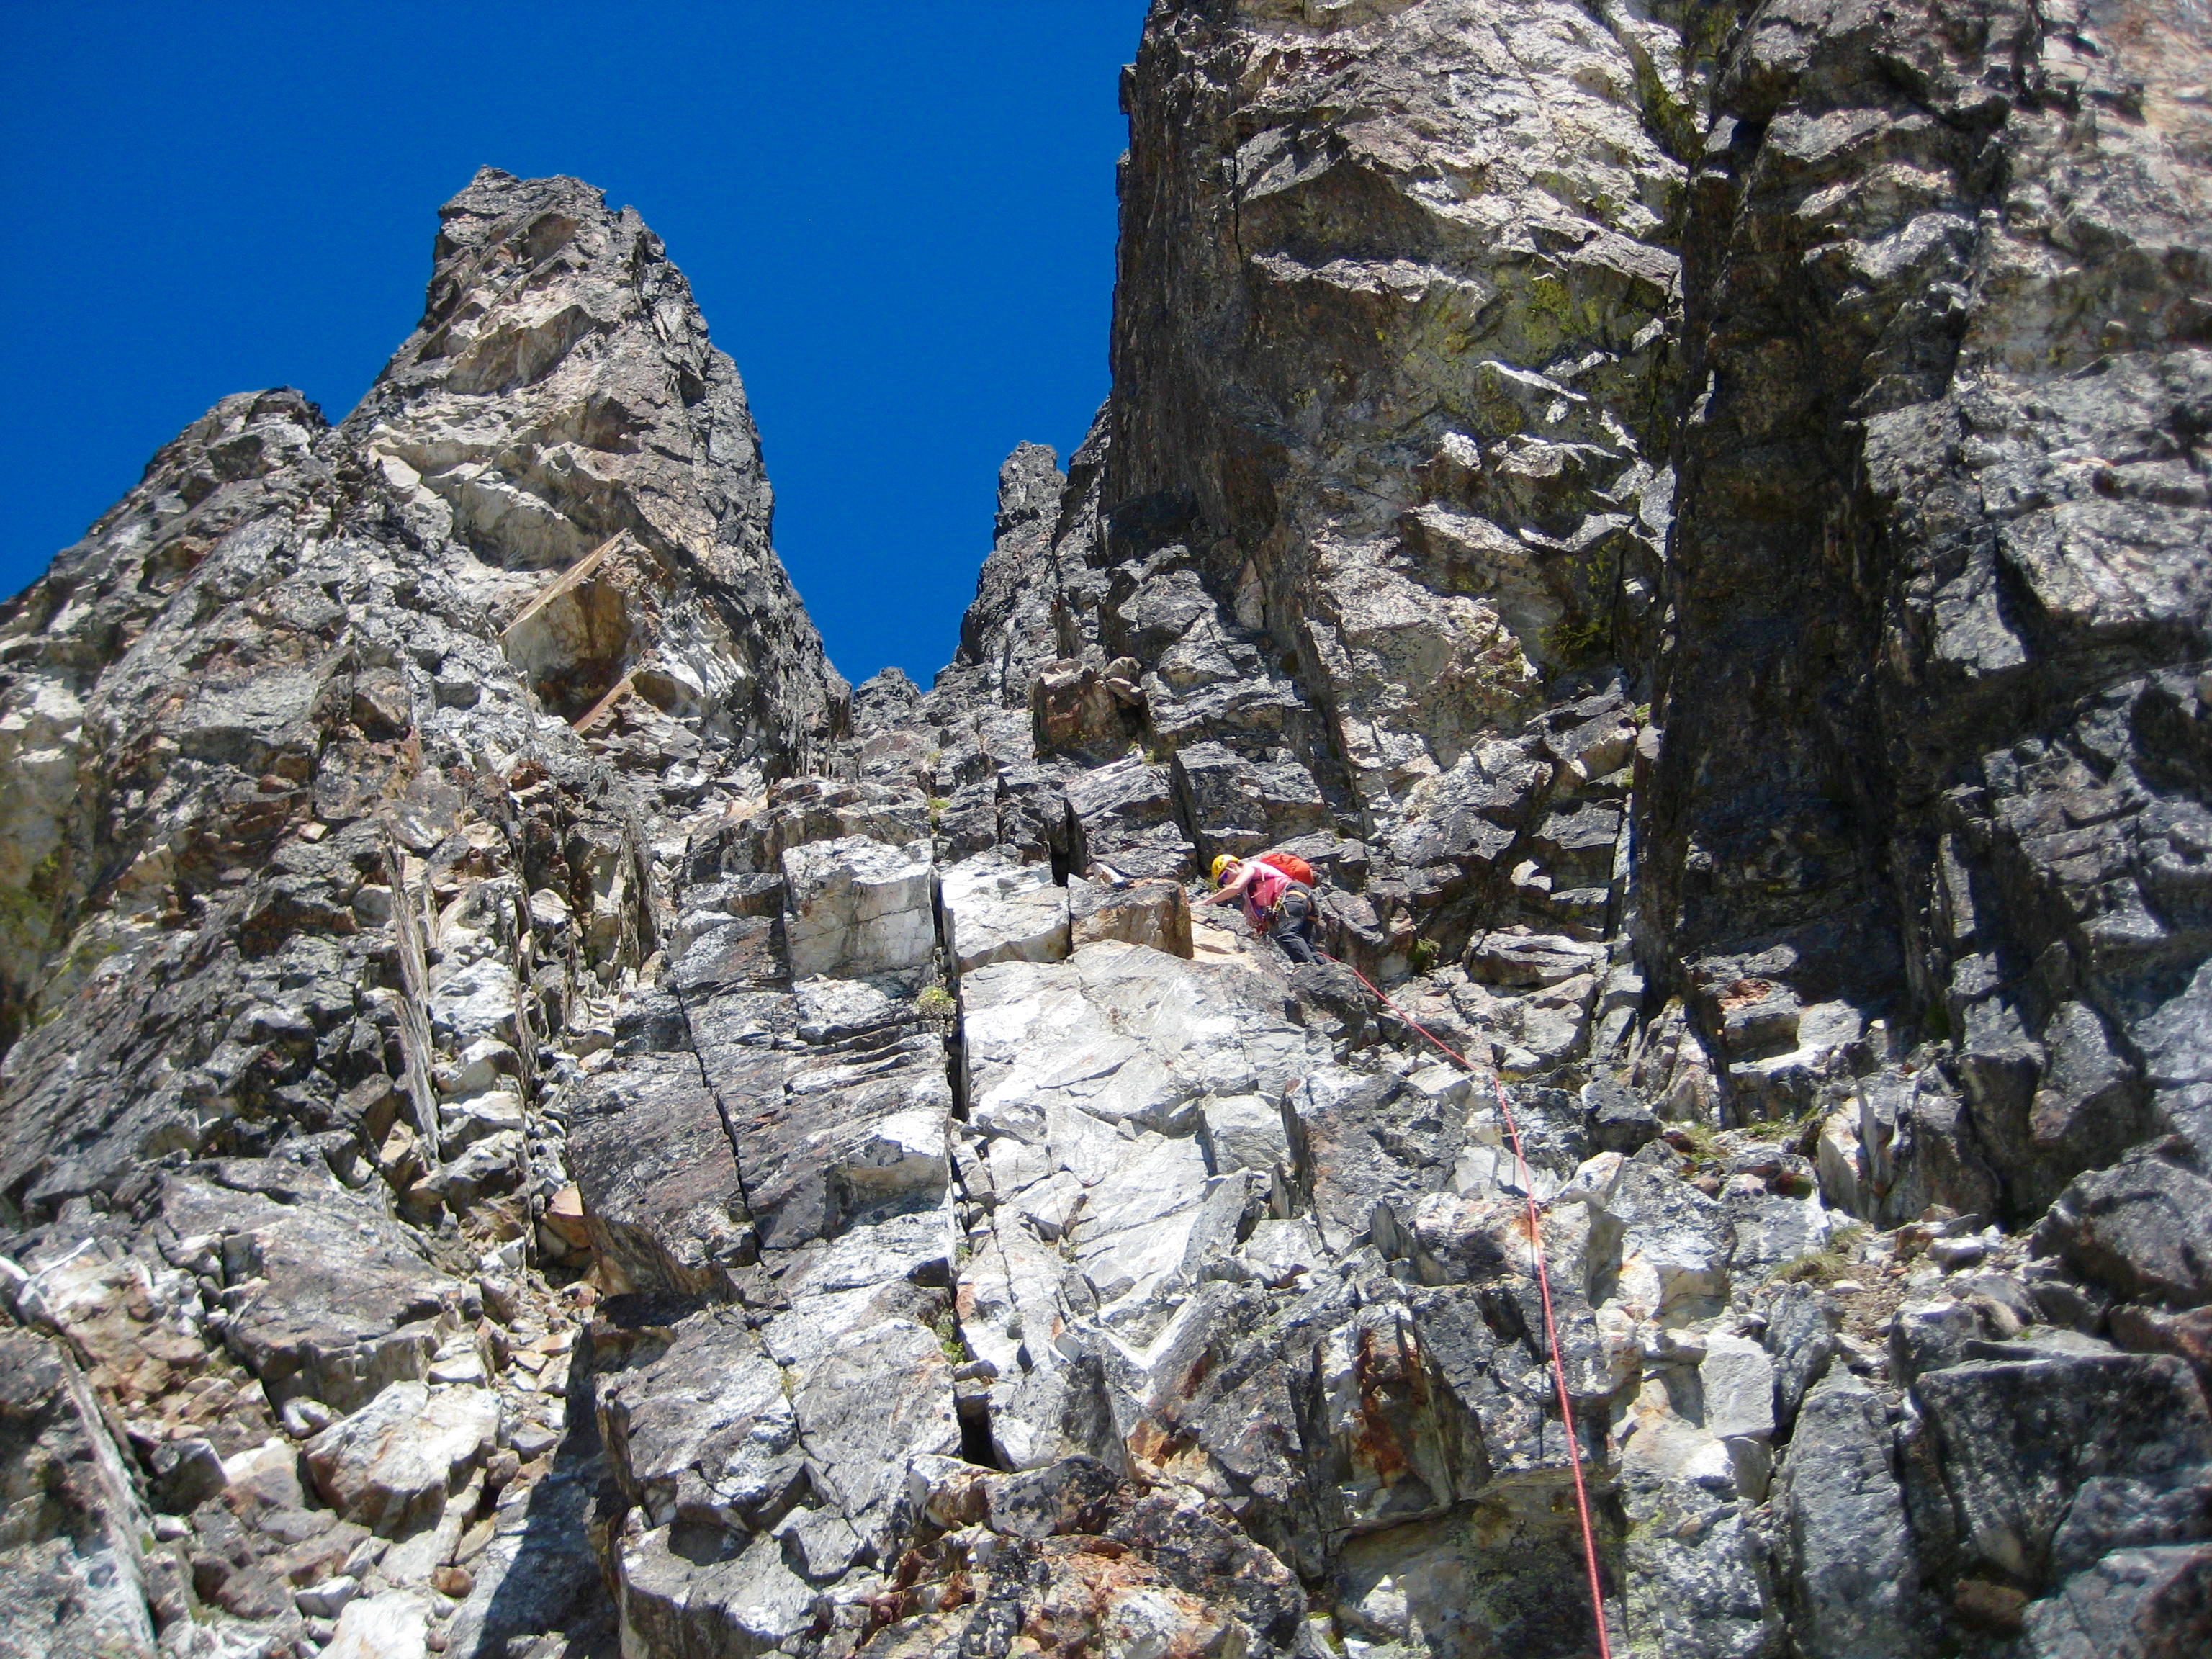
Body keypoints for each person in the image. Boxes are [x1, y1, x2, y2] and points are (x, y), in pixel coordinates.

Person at [1201, 853, 1320, 965]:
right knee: (1309, 949)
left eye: (1225, 876)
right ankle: (1331, 971)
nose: (1226, 882)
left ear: (1232, 866)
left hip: (1294, 895)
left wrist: (1206, 902)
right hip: (1301, 901)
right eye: (1222, 883)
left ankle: (1311, 972)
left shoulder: (1251, 866)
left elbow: (1236, 886)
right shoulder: (1250, 894)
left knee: (1286, 934)